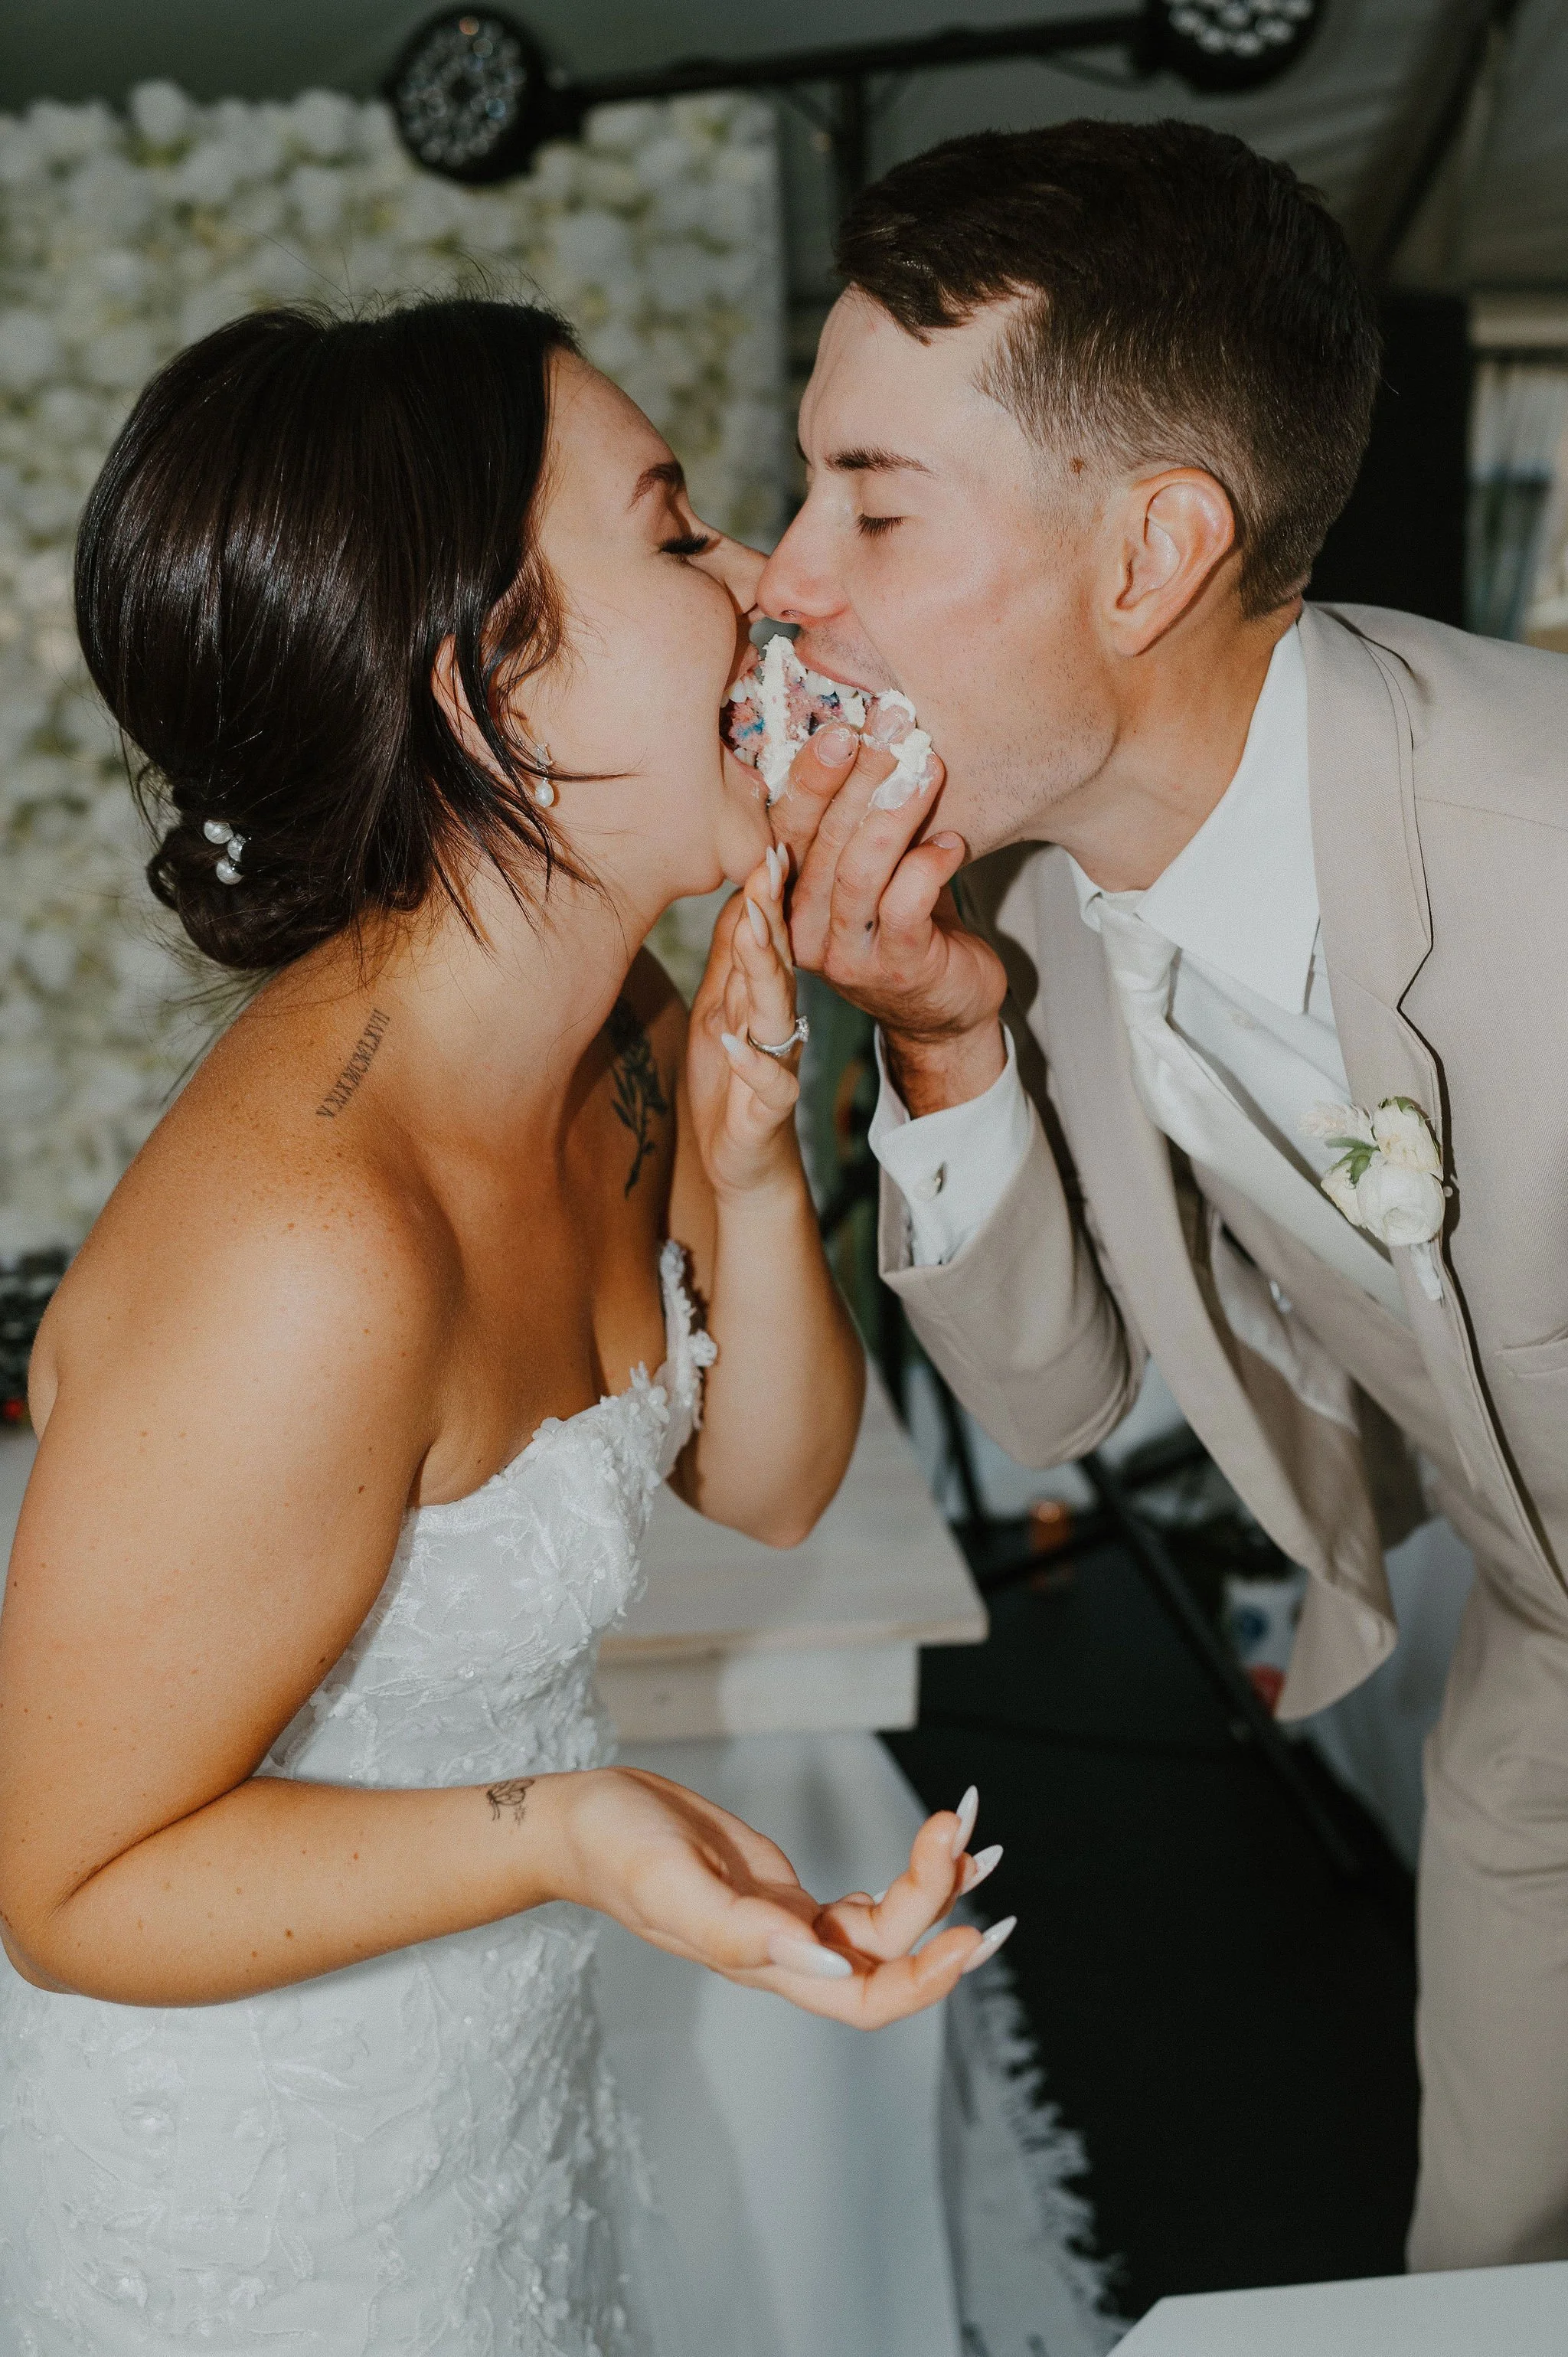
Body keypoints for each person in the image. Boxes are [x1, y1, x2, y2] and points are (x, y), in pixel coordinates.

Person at [0, 298, 1008, 2352]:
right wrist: (567, 1824)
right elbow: (70, 1885)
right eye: (674, 531)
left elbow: (776, 1476)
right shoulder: (307, 1246)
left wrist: (739, 1165)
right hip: (259, 2203)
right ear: (485, 685)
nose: (763, 585)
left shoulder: (622, 1030)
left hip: (498, 2095)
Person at [755, 118, 1568, 2272]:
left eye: (870, 500)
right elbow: (1051, 1396)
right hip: (1539, 1707)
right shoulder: (1030, 881)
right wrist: (942, 1031)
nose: (783, 578)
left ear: (1151, 557)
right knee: (1474, 2283)